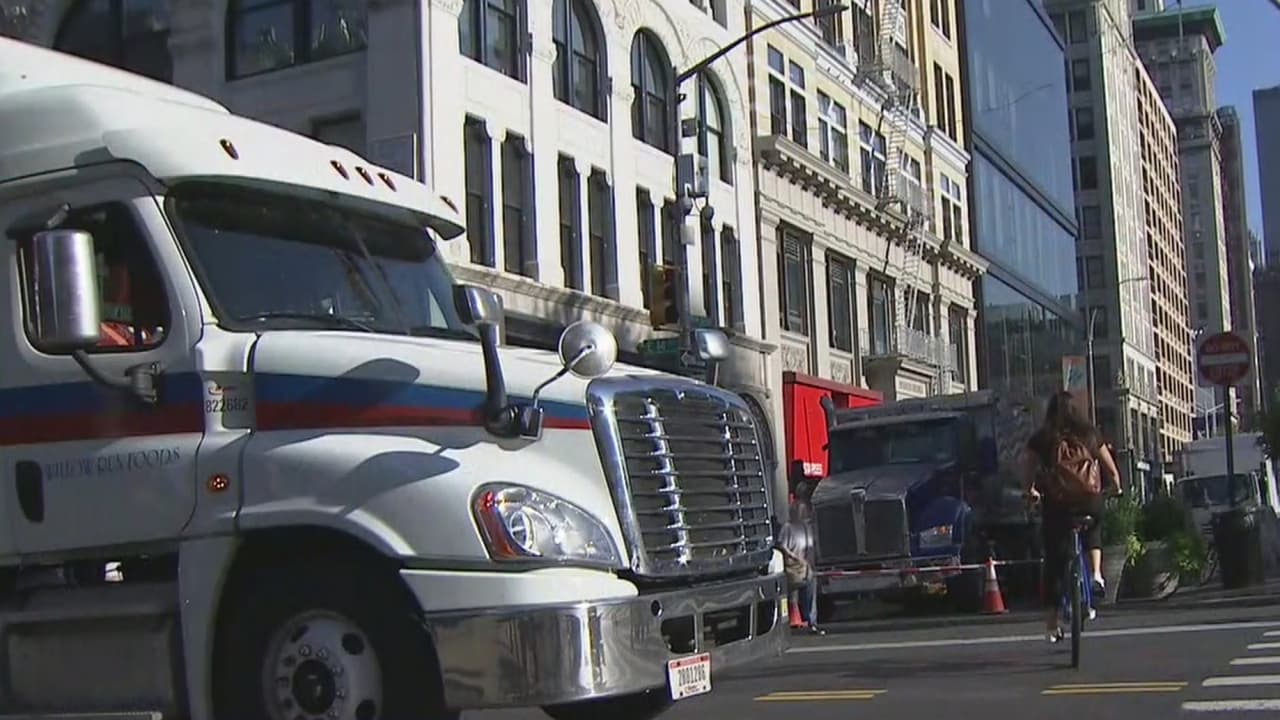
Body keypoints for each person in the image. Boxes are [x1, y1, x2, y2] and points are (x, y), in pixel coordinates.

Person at [1021, 391, 1122, 644]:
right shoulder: (1089, 434)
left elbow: (1027, 470)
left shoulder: (1042, 438)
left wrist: (1030, 491)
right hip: (1088, 500)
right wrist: (1116, 487)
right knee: (1094, 526)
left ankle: (1052, 624)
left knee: (1054, 560)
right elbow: (1110, 469)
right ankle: (1096, 574)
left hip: (1057, 504)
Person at [778, 474, 824, 635]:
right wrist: (795, 558)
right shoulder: (788, 528)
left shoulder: (808, 527)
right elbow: (782, 546)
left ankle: (812, 621)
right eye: (798, 508)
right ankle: (791, 622)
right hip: (793, 567)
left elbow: (812, 547)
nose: (801, 510)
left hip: (807, 567)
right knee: (792, 595)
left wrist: (813, 561)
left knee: (810, 594)